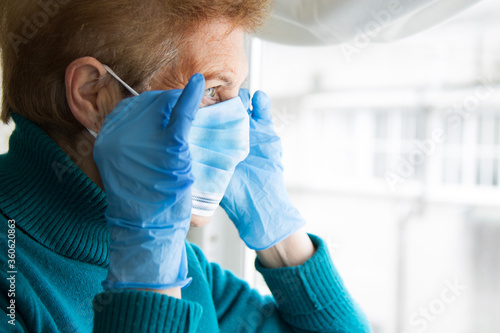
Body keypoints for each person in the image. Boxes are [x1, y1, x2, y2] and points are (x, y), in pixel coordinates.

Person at [0, 1, 371, 332]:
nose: (238, 122)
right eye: (212, 91)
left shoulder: (183, 261)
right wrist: (147, 279)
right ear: (94, 94)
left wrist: (283, 238)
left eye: (237, 94)